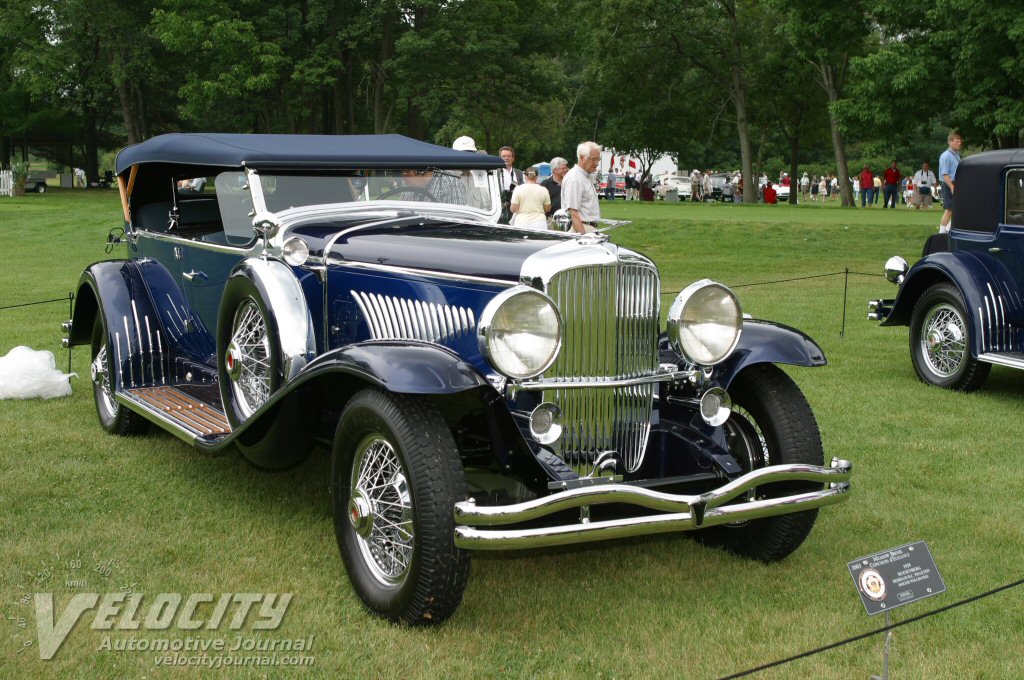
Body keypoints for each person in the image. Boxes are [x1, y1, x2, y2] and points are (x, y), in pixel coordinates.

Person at [562, 141, 602, 233]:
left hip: (587, 228)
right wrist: (584, 238)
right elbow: (573, 213)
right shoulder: (575, 178)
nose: (596, 163)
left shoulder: (584, 176)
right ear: (581, 157)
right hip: (581, 229)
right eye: (593, 159)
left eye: (598, 160)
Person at [939, 131, 963, 232]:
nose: (959, 143)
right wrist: (952, 187)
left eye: (960, 141)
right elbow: (945, 174)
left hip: (955, 184)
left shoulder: (956, 155)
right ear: (950, 142)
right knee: (949, 210)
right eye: (956, 141)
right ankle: (941, 232)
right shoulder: (946, 156)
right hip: (948, 184)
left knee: (957, 209)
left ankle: (948, 229)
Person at [497, 146, 524, 223]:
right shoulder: (494, 173)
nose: (506, 158)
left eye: (509, 156)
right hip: (500, 210)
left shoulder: (520, 173)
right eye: (504, 156)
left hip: (516, 209)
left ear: (513, 158)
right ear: (499, 158)